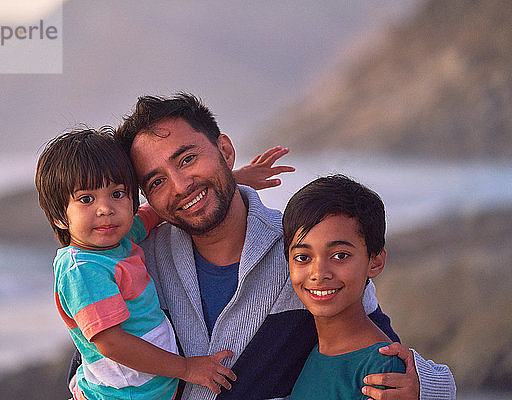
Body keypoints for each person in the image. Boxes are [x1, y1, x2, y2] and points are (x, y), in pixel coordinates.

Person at [72, 92, 456, 399]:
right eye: (156, 181)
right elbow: (92, 363)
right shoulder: (139, 262)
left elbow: (379, 347)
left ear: (224, 151)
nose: (180, 185)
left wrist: (427, 387)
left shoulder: (302, 253)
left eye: (188, 159)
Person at [36, 127, 246, 400]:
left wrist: (233, 179)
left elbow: (155, 212)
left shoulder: (119, 240)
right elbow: (111, 343)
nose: (106, 209)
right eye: (86, 199)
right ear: (59, 218)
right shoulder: (83, 269)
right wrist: (187, 368)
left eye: (118, 193)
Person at [283, 174, 406, 399]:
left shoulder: (381, 370)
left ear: (375, 262)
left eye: (340, 255)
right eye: (303, 257)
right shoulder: (313, 352)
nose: (319, 273)